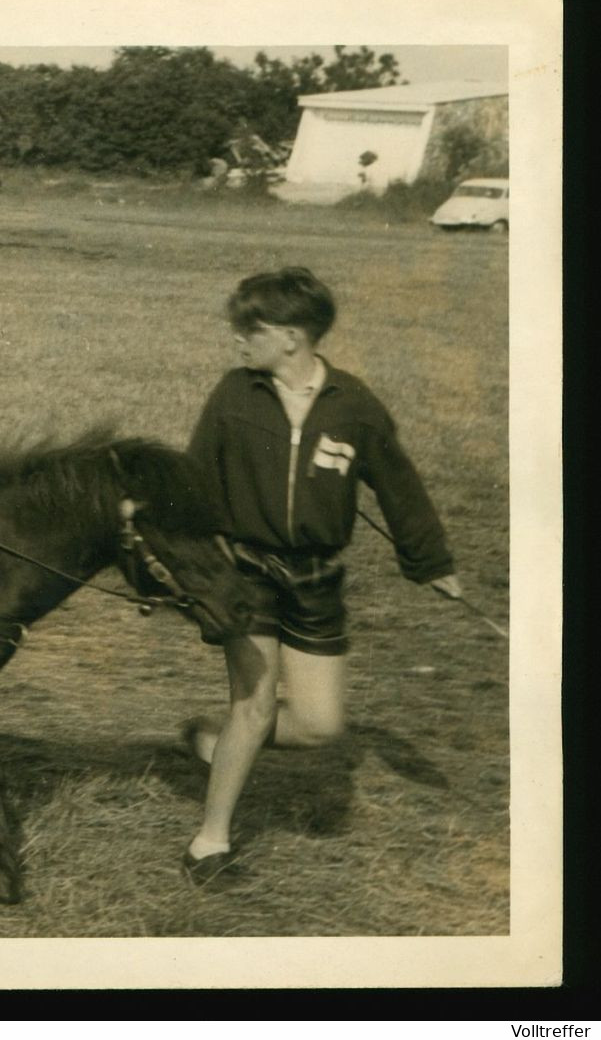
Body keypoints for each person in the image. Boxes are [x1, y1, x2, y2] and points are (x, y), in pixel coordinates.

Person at [180, 266, 463, 884]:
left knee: (320, 726)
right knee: (253, 708)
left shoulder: (354, 406)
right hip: (245, 574)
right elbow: (194, 481)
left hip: (317, 581)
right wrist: (185, 563)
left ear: (290, 336)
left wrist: (431, 561)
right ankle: (210, 843)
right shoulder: (234, 395)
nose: (237, 339)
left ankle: (212, 740)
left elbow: (398, 485)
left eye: (249, 328)